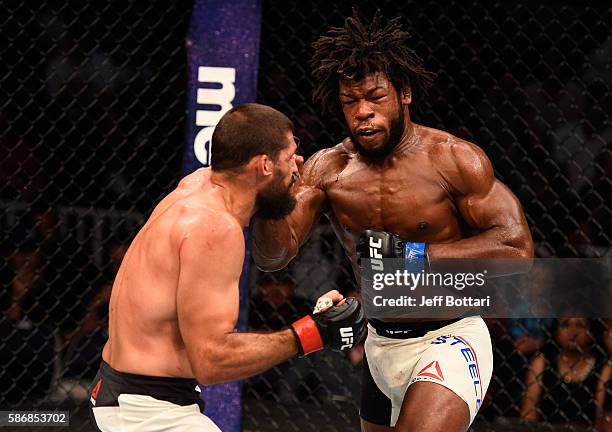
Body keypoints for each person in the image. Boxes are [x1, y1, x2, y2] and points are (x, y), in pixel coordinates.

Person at [249, 12, 533, 432]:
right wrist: (268, 196)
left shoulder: (453, 159)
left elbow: (517, 249)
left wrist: (414, 255)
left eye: (375, 97)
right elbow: (273, 256)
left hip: (450, 336)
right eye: (350, 101)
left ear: (404, 94)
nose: (362, 111)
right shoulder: (328, 170)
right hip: (378, 345)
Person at [89, 103, 366, 431]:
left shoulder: (198, 184)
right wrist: (313, 332)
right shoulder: (214, 228)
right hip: (148, 411)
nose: (299, 164)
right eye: (290, 155)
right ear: (264, 165)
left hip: (130, 394)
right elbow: (211, 359)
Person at [521, 318, 607, 427]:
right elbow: (529, 414)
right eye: (565, 325)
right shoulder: (541, 362)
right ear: (557, 331)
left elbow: (602, 420)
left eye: (580, 325)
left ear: (590, 331)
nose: (572, 331)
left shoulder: (603, 367)